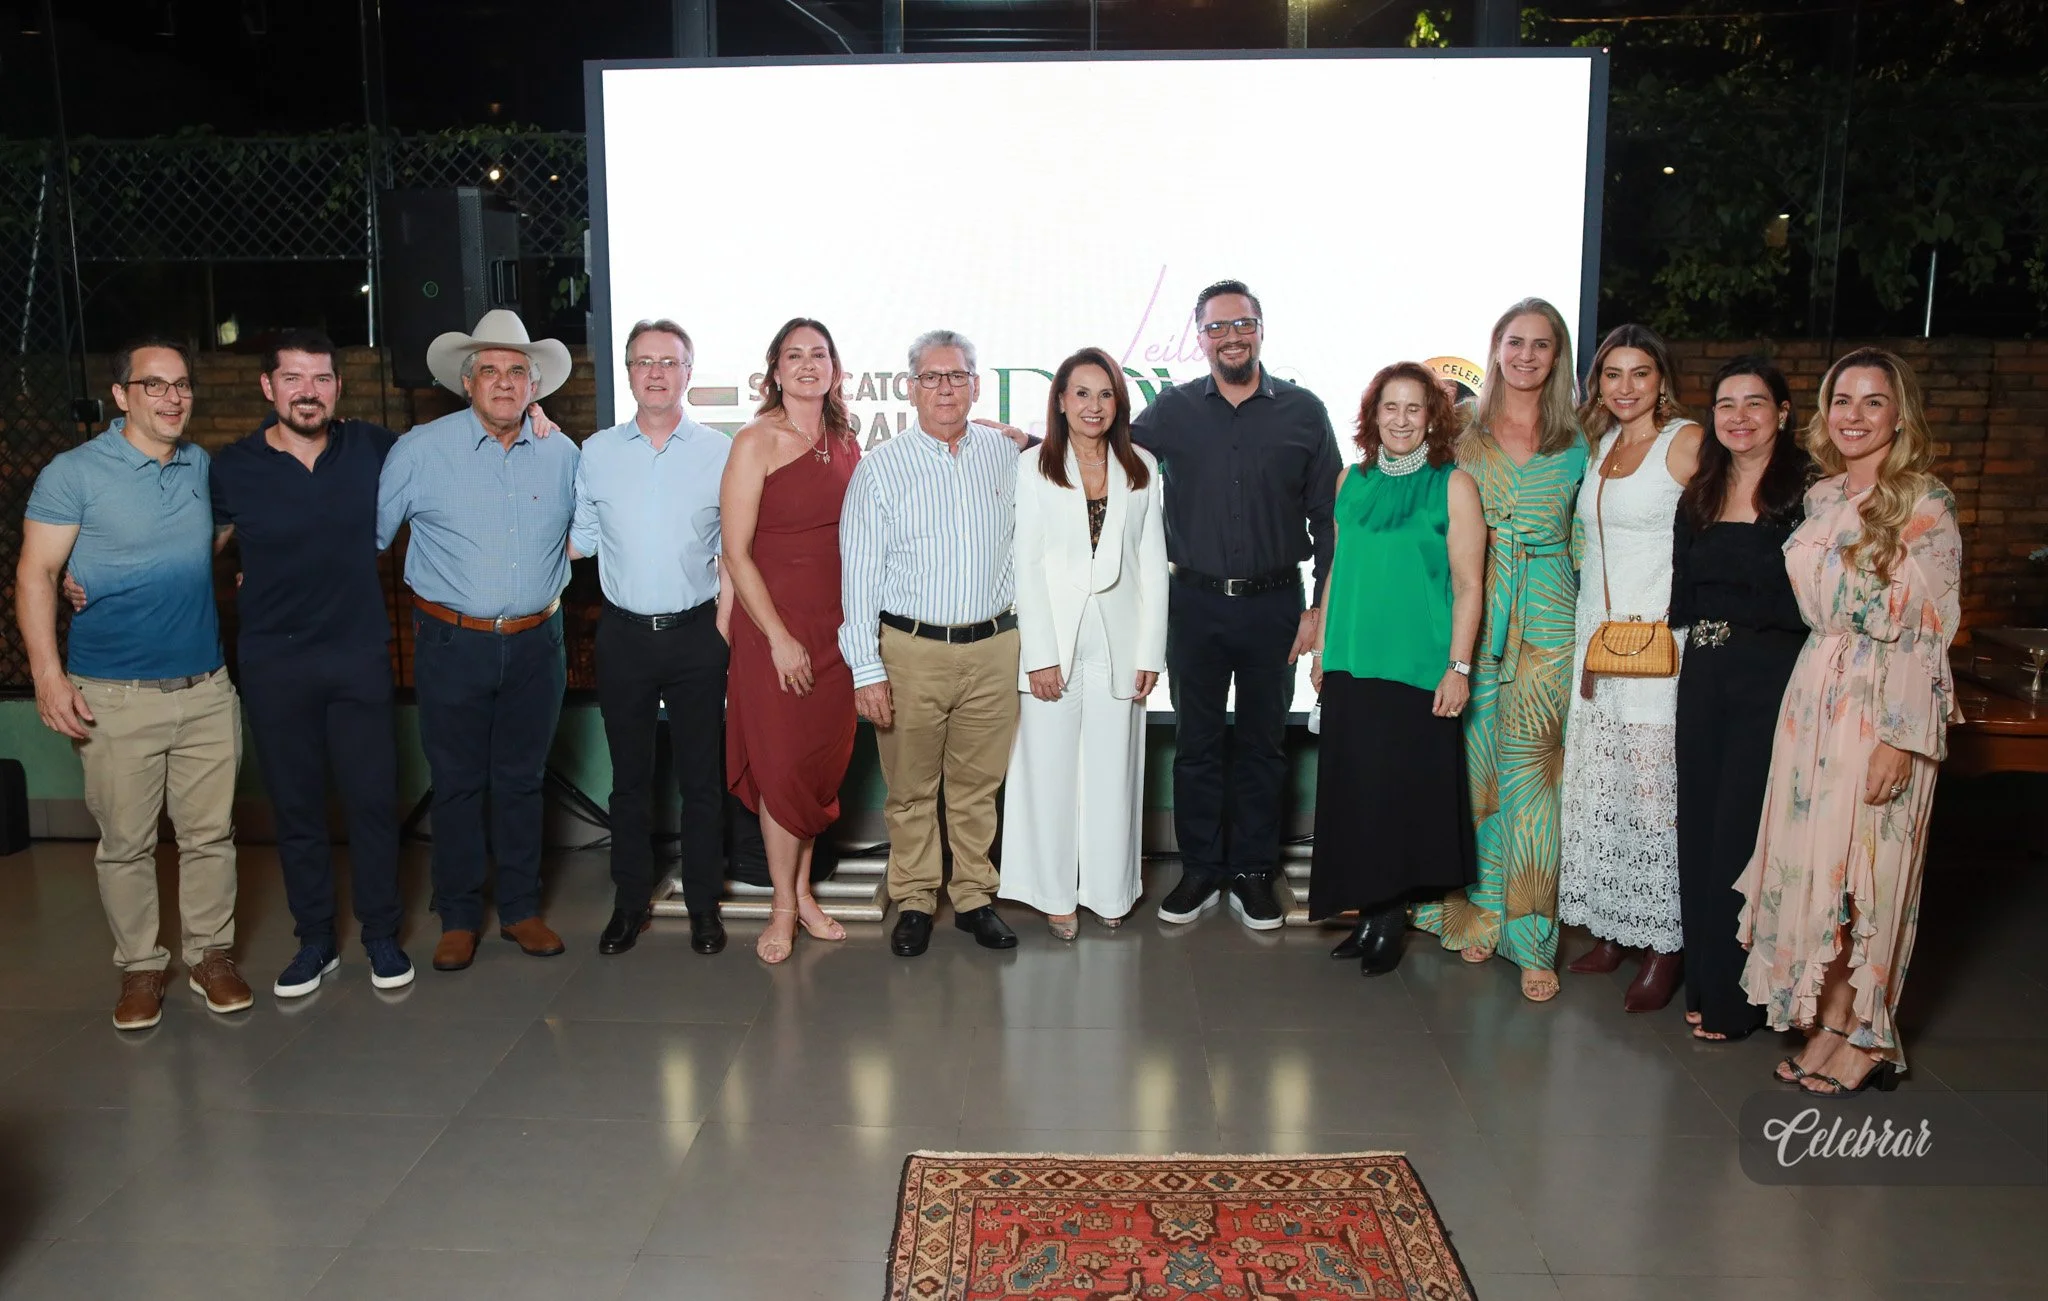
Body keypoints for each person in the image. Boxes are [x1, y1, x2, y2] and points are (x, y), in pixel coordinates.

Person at [1738, 348, 1962, 1096]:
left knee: (1871, 870)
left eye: (1873, 402)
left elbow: (1930, 632)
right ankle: (1829, 1022)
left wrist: (1900, 738)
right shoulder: (1823, 496)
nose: (1855, 416)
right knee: (1815, 864)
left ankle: (1866, 1032)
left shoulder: (1926, 503)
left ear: (1901, 415)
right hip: (1814, 693)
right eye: (1843, 400)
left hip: (1882, 700)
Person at [16, 338, 252, 1029]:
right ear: (121, 395)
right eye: (155, 385)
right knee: (126, 842)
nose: (173, 397)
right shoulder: (74, 473)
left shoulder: (199, 465)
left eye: (181, 385)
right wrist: (47, 675)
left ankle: (211, 955)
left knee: (212, 834)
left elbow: (211, 534)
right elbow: (35, 573)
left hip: (207, 688)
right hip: (113, 695)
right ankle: (141, 968)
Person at [1131, 280, 1341, 932]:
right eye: (1217, 327)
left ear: (1260, 329)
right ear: (1200, 338)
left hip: (1276, 604)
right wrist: (1023, 441)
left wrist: (1320, 610)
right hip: (1192, 603)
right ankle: (1199, 869)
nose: (1231, 337)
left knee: (1260, 746)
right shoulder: (1172, 409)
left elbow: (1331, 521)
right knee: (1195, 745)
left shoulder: (1304, 411)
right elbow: (1101, 450)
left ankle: (1252, 871)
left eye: (1242, 324)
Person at [211, 331, 414, 996]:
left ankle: (381, 934)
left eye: (321, 378)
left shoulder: (375, 448)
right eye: (293, 378)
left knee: (373, 802)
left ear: (337, 387)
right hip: (273, 660)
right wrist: (84, 580)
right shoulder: (232, 467)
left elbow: (448, 461)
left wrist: (533, 418)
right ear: (268, 387)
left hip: (357, 652)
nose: (308, 390)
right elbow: (191, 548)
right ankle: (315, 941)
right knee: (296, 808)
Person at [376, 309, 579, 973]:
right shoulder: (419, 451)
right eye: (488, 369)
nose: (502, 380)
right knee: (458, 782)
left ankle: (519, 909)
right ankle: (459, 914)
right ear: (467, 382)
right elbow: (367, 538)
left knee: (521, 781)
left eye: (516, 370)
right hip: (450, 643)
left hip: (535, 642)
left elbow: (594, 532)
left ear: (533, 384)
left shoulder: (563, 453)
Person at [1412, 298, 1589, 1003]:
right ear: (1494, 349)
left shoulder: (1582, 440)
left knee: (1535, 786)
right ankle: (1476, 916)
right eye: (1514, 342)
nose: (1525, 356)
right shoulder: (1460, 431)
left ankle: (1533, 938)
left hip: (1550, 623)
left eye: (1540, 346)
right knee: (1475, 777)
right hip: (1476, 621)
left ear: (1557, 357)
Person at [840, 328, 1021, 958]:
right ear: (911, 388)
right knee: (912, 787)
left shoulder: (1007, 457)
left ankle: (974, 897)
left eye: (958, 375)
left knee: (977, 787)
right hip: (910, 650)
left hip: (995, 648)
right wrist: (866, 669)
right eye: (932, 377)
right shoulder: (881, 468)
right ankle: (915, 897)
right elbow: (858, 578)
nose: (945, 388)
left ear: (976, 384)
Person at [1308, 362, 1484, 977]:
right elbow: (1338, 570)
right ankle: (1368, 911)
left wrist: (1458, 667)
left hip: (1417, 670)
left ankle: (1388, 919)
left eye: (1414, 408)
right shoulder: (1349, 481)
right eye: (1391, 407)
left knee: (1399, 797)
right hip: (1353, 663)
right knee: (1356, 795)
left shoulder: (1452, 485)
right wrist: (1325, 649)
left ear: (1432, 416)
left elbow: (1468, 584)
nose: (1402, 419)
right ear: (1372, 414)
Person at [571, 319, 734, 958]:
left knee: (701, 780)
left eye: (670, 361)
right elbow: (581, 539)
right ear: (629, 372)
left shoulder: (720, 452)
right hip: (625, 637)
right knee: (629, 781)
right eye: (644, 361)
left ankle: (702, 907)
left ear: (688, 374)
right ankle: (629, 903)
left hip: (698, 635)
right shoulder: (596, 452)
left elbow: (734, 552)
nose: (657, 372)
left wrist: (721, 635)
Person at [1556, 325, 1704, 1012]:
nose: (1624, 387)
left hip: (1654, 644)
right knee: (1602, 787)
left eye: (1638, 373)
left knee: (1652, 797)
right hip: (1598, 641)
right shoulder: (1606, 444)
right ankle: (1614, 928)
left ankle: (1665, 946)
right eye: (1611, 374)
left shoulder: (1686, 440)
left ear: (1662, 378)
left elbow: (1711, 534)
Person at [999, 347, 1168, 939]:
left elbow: (1152, 566)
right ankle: (1053, 893)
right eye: (1081, 393)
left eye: (1104, 394)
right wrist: (1039, 653)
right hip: (1053, 641)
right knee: (1046, 771)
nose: (1093, 406)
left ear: (1118, 401)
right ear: (1061, 401)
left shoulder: (1142, 466)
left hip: (1120, 644)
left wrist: (1151, 654)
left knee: (1113, 771)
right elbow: (1025, 563)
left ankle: (1108, 890)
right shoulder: (1032, 466)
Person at [1671, 356, 1811, 1041]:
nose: (1738, 416)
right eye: (1725, 403)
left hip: (1773, 675)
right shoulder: (1699, 491)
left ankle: (1739, 999)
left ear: (1783, 412)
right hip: (1703, 669)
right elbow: (1684, 596)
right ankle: (1705, 981)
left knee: (1741, 834)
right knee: (1697, 826)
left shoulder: (1810, 494)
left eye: (1755, 403)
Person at [722, 318, 862, 964]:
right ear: (774, 369)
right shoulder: (756, 441)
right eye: (794, 354)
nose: (808, 364)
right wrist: (776, 637)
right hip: (775, 629)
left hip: (835, 632)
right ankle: (782, 904)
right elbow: (736, 551)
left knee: (813, 766)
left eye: (820, 354)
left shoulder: (846, 441)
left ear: (834, 367)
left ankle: (805, 892)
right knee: (780, 769)